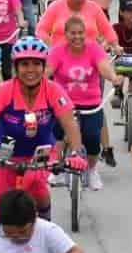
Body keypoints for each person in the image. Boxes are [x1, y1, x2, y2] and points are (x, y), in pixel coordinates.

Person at [0, 38, 87, 218]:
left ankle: (45, 223)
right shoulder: (4, 90)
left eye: (36, 64)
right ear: (15, 67)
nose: (30, 70)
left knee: (38, 189)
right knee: (0, 202)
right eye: (24, 64)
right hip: (5, 154)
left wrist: (76, 153)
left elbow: (69, 122)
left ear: (44, 66)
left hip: (41, 154)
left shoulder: (53, 90)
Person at [47, 16, 119, 189]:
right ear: (65, 34)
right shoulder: (57, 51)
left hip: (91, 104)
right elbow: (48, 70)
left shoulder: (94, 49)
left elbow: (103, 67)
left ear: (85, 34)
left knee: (92, 139)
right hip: (64, 104)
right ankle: (58, 169)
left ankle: (92, 170)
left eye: (80, 33)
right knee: (57, 135)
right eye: (73, 33)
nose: (77, 37)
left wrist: (114, 77)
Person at [36, 0, 117, 50]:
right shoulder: (55, 6)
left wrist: (115, 45)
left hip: (89, 56)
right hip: (60, 55)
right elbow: (41, 31)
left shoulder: (94, 7)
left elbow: (108, 31)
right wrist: (52, 47)